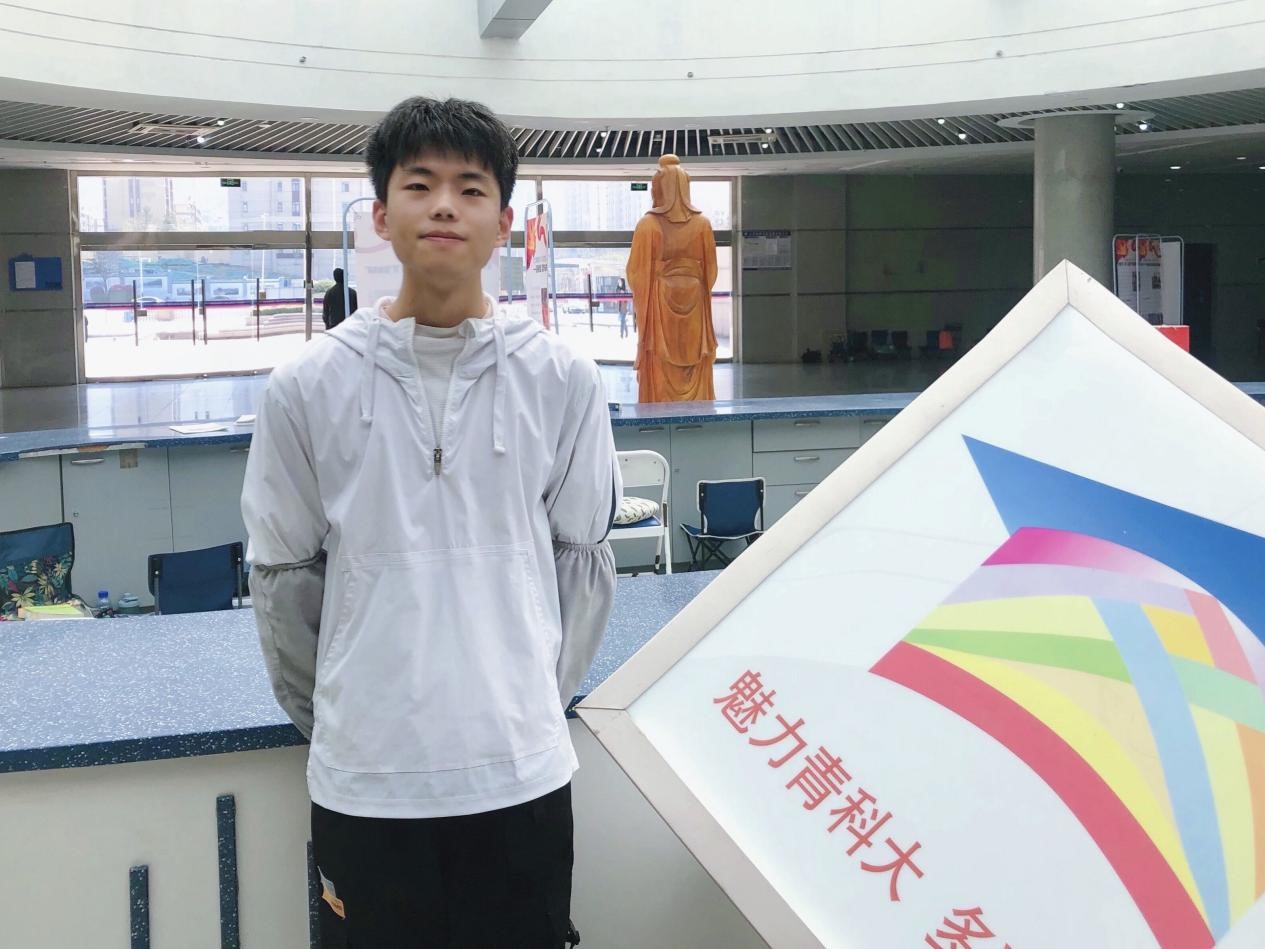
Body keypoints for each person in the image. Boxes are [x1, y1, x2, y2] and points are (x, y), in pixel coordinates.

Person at [242, 96, 620, 948]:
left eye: (470, 188)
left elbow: (580, 565)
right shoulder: (307, 385)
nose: (444, 205)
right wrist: (345, 718)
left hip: (521, 777)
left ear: (503, 222)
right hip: (365, 781)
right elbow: (284, 580)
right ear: (381, 215)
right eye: (419, 184)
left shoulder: (561, 378)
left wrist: (523, 704)